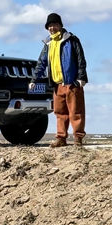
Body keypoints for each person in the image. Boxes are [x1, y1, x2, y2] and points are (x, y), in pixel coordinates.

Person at [30, 13, 88, 147]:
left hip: (72, 83)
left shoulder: (72, 40)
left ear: (60, 25)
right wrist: (34, 79)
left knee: (76, 112)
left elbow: (81, 60)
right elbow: (41, 63)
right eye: (49, 26)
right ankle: (61, 138)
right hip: (57, 85)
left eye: (54, 25)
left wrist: (81, 78)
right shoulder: (48, 44)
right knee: (60, 113)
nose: (52, 28)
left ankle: (78, 139)